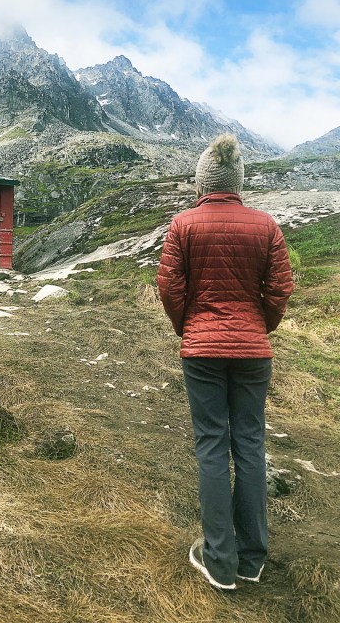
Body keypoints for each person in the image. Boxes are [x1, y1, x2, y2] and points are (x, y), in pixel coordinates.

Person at [156, 133, 293, 591]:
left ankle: (219, 562)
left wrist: (187, 327)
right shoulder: (267, 226)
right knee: (250, 446)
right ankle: (252, 558)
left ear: (202, 183)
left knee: (212, 446)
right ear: (237, 182)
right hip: (254, 351)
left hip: (202, 351)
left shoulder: (183, 225)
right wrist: (260, 327)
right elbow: (279, 290)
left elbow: (169, 288)